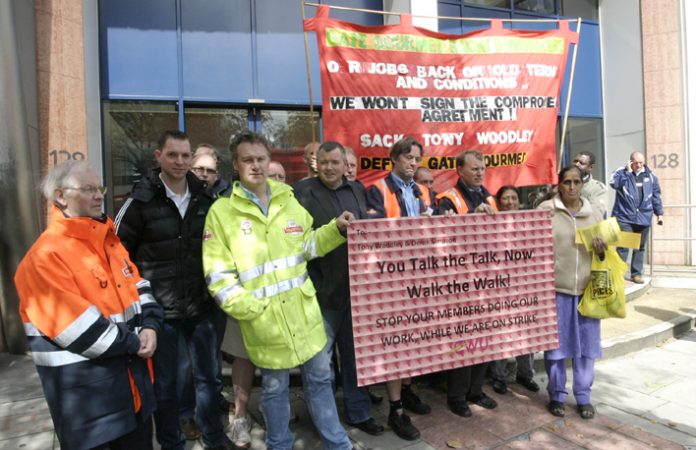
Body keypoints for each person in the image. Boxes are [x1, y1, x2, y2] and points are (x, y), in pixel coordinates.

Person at [202, 131, 355, 450]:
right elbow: (218, 276)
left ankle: (337, 443)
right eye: (248, 160)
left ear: (269, 160)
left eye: (261, 158)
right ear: (236, 164)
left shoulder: (288, 199)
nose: (256, 165)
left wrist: (336, 229)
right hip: (266, 325)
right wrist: (251, 312)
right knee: (274, 391)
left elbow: (308, 245)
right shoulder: (221, 213)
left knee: (320, 381)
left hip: (305, 317)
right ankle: (279, 444)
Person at [15, 161, 163, 450]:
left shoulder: (109, 241)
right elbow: (78, 329)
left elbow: (138, 286)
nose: (99, 196)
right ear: (60, 196)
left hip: (133, 394)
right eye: (88, 189)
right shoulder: (44, 257)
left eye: (100, 188)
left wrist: (151, 326)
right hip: (89, 408)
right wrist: (136, 342)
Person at [116, 130, 233, 450]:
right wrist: (139, 300)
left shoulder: (206, 198)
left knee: (209, 380)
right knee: (166, 385)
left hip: (201, 306)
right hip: (160, 312)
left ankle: (215, 438)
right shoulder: (139, 200)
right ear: (158, 157)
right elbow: (116, 254)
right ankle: (171, 443)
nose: (180, 161)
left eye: (185, 156)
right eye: (173, 155)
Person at [294, 141, 384, 437]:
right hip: (321, 292)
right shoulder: (301, 192)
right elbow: (297, 242)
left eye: (335, 162)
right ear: (316, 163)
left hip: (355, 290)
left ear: (346, 165)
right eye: (325, 162)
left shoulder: (357, 190)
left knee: (356, 358)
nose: (330, 167)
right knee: (320, 367)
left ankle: (358, 413)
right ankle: (324, 420)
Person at [366, 136, 432, 441]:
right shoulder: (377, 191)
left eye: (417, 158)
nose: (413, 162)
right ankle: (396, 409)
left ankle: (407, 391)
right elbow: (375, 238)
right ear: (395, 158)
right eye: (408, 157)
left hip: (420, 279)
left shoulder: (423, 192)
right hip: (392, 282)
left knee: (416, 340)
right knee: (396, 342)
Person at [537, 166, 607, 420]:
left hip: (588, 291)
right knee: (556, 347)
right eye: (567, 182)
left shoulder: (594, 213)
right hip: (556, 290)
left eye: (577, 182)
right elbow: (531, 249)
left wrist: (601, 250)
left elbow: (606, 255)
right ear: (559, 185)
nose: (572, 187)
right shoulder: (545, 212)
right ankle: (556, 395)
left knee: (587, 348)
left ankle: (584, 397)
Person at [437, 150, 498, 418]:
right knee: (462, 341)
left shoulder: (489, 196)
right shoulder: (447, 199)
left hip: (486, 280)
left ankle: (476, 391)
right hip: (459, 284)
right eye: (474, 168)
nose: (479, 172)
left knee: (484, 337)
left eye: (482, 167)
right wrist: (473, 215)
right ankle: (457, 396)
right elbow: (444, 239)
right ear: (459, 170)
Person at [489, 186, 540, 395]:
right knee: (500, 333)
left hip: (524, 288)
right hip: (500, 288)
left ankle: (525, 375)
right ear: (499, 202)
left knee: (525, 332)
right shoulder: (490, 226)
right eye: (505, 198)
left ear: (518, 201)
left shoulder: (528, 224)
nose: (509, 202)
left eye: (513, 198)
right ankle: (499, 377)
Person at [609, 151, 664, 283]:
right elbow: (615, 185)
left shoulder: (650, 176)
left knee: (640, 246)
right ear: (630, 162)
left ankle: (636, 274)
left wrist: (659, 213)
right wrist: (627, 172)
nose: (639, 165)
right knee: (624, 245)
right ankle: (618, 273)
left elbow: (656, 195)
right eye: (636, 163)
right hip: (625, 217)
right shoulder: (621, 173)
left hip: (644, 217)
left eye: (641, 162)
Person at [572, 151, 607, 216]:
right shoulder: (563, 183)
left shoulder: (598, 188)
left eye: (581, 163)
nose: (577, 164)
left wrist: (573, 213)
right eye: (575, 161)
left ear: (590, 167)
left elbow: (597, 211)